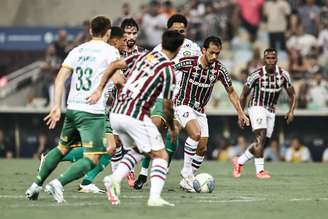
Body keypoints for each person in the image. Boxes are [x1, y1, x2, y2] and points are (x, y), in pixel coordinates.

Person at [25, 16, 120, 203]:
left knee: (62, 148)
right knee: (92, 158)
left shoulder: (77, 50)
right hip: (92, 111)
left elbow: (59, 79)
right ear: (108, 32)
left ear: (91, 31)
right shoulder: (111, 52)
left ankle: (35, 185)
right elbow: (118, 81)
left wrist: (56, 107)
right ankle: (58, 183)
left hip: (72, 108)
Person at [87, 30, 184, 207]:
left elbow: (113, 66)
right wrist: (171, 128)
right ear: (178, 49)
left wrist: (100, 88)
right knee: (161, 154)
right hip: (135, 114)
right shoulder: (168, 70)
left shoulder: (142, 57)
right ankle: (155, 197)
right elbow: (168, 107)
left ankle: (114, 179)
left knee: (139, 150)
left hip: (117, 112)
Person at [134, 14, 202, 190]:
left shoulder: (193, 48)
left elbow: (201, 70)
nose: (179, 33)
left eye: (182, 30)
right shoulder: (159, 49)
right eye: (175, 30)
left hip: (182, 99)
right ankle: (143, 171)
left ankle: (163, 169)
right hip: (161, 95)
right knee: (155, 127)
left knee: (175, 131)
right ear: (168, 30)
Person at [56, 26, 126, 194]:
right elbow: (118, 81)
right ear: (114, 40)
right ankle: (82, 180)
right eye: (122, 39)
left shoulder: (106, 54)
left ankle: (81, 177)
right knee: (109, 147)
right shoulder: (110, 55)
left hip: (103, 109)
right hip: (99, 109)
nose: (125, 43)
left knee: (107, 147)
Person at [174, 36, 249, 192]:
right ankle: (187, 175)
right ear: (204, 50)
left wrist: (241, 113)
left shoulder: (219, 69)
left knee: (202, 148)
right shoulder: (189, 63)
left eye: (217, 53)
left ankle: (186, 181)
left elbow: (231, 92)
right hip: (183, 104)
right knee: (195, 134)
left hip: (200, 110)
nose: (214, 57)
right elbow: (168, 68)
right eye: (212, 53)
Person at [234, 48, 296, 179]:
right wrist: (241, 113)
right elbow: (244, 94)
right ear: (264, 60)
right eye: (268, 58)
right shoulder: (256, 74)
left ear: (277, 59)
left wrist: (291, 111)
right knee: (260, 138)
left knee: (262, 144)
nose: (271, 61)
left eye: (273, 58)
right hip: (256, 106)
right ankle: (260, 171)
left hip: (271, 110)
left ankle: (239, 161)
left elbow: (293, 94)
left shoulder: (284, 75)